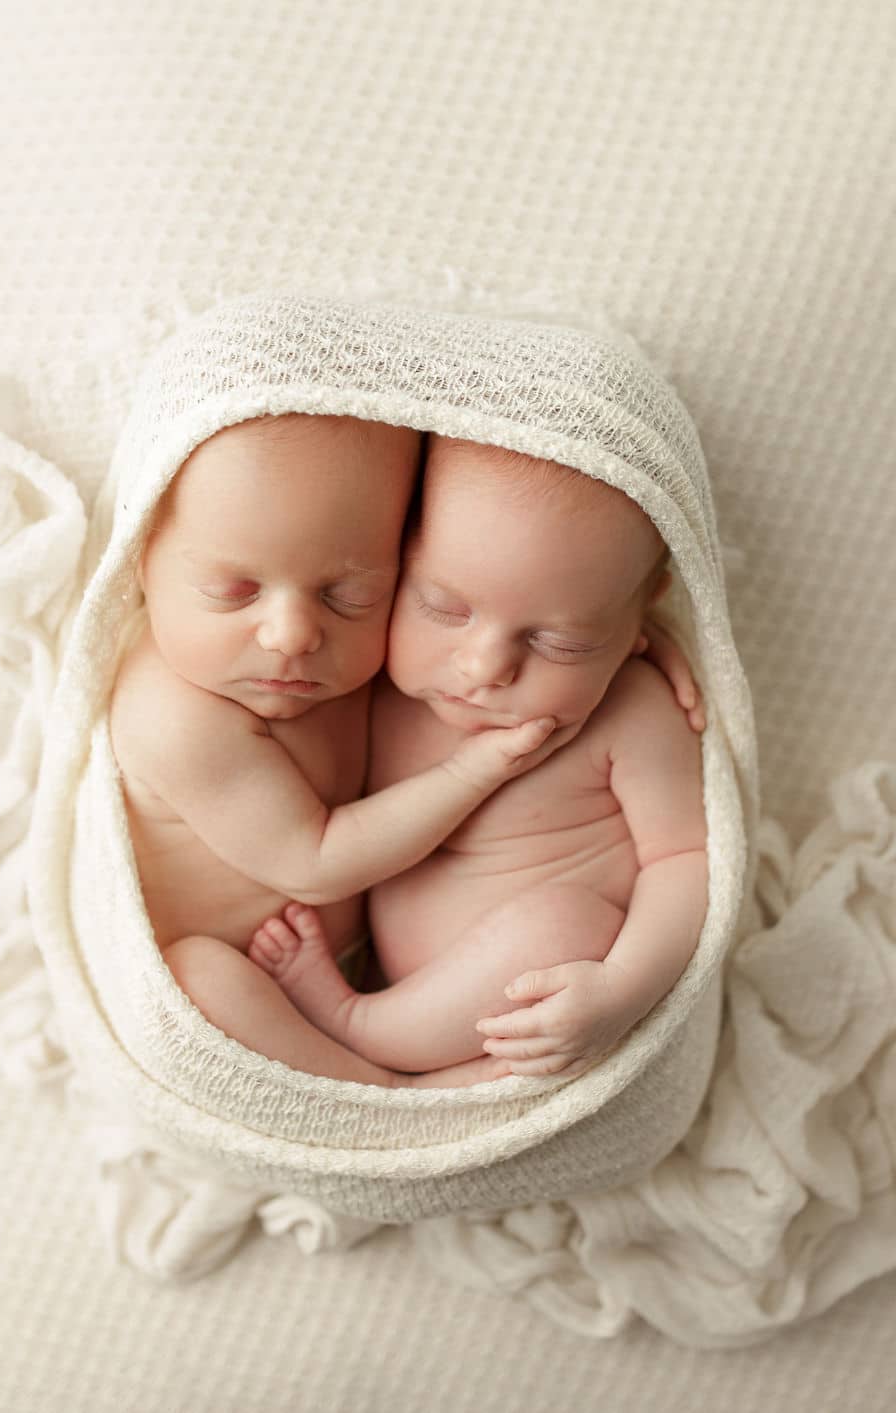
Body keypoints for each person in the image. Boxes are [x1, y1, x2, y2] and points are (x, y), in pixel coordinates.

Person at [108, 412, 564, 1089]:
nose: (294, 634)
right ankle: (382, 1095)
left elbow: (492, 591)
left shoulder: (349, 653)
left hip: (370, 960)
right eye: (234, 591)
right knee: (197, 978)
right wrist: (478, 767)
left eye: (349, 594)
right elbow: (314, 861)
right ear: (143, 556)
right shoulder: (174, 712)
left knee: (563, 925)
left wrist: (593, 636)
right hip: (257, 985)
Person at [250, 435, 708, 1082]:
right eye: (444, 607)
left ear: (637, 618)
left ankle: (359, 1027)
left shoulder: (633, 709)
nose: (484, 667)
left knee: (570, 923)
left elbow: (685, 859)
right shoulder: (374, 672)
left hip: (535, 1014)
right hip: (383, 964)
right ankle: (384, 1051)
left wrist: (621, 989)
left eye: (560, 641)